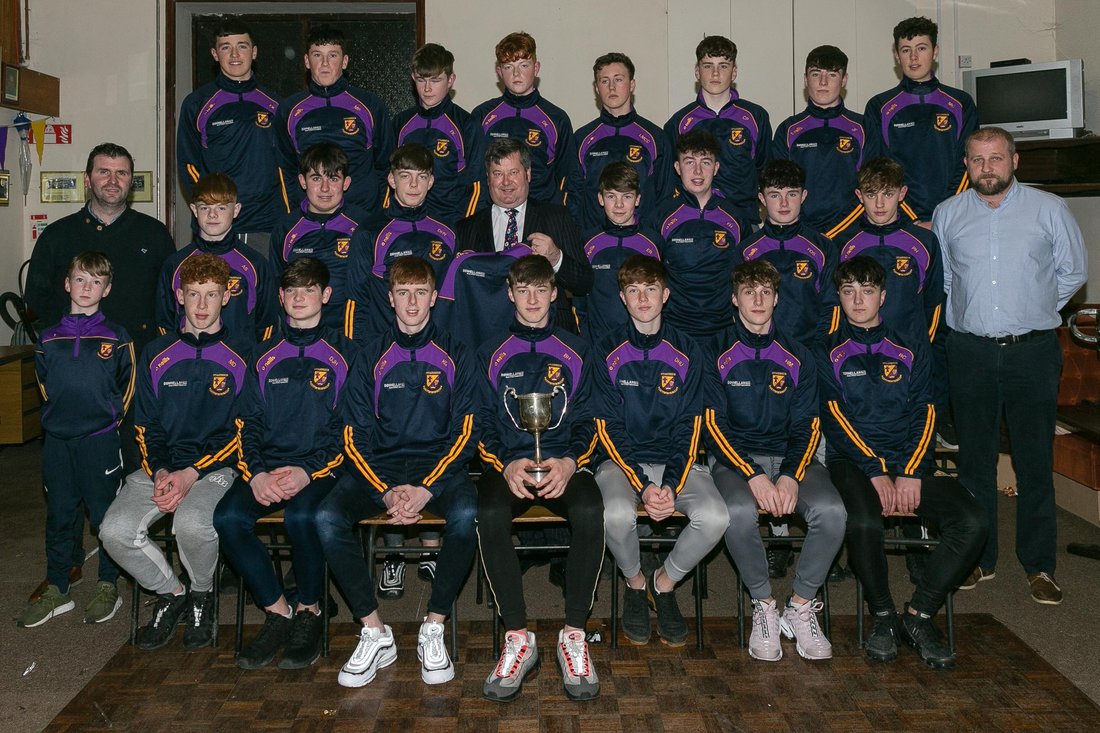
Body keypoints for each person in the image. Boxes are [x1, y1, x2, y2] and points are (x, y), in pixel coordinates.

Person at [932, 126, 1087, 605]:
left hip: (1032, 353)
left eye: (996, 158)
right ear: (966, 164)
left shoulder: (1048, 208)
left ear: (1014, 161)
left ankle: (1039, 565)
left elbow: (1073, 273)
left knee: (1034, 460)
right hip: (970, 352)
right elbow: (946, 281)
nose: (987, 168)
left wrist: (1033, 310)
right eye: (977, 159)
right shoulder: (948, 213)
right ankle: (979, 558)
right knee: (974, 461)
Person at [316, 256, 477, 688]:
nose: (412, 302)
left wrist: (427, 488)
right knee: (326, 517)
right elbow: (352, 436)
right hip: (380, 467)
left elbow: (466, 433)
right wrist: (386, 491)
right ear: (390, 299)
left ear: (434, 298)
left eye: (420, 293)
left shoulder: (458, 353)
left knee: (466, 515)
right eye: (403, 293)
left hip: (438, 466)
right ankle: (374, 630)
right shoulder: (369, 355)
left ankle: (434, 625)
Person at [820, 256, 987, 669]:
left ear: (883, 296)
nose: (858, 300)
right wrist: (876, 470)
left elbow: (926, 412)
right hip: (852, 464)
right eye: (848, 291)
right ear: (839, 298)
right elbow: (835, 419)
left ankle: (919, 614)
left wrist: (910, 471)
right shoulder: (826, 351)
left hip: (908, 463)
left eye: (867, 291)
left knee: (973, 521)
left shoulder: (911, 347)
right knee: (863, 522)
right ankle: (883, 615)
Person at [24, 143, 174, 575]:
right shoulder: (58, 235)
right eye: (104, 171)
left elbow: (169, 304)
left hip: (134, 376)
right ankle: (67, 560)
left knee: (130, 466)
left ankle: (126, 557)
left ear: (132, 182)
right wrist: (68, 351)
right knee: (65, 478)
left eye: (122, 173)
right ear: (88, 179)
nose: (112, 180)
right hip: (77, 380)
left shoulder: (153, 235)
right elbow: (38, 300)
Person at [100, 254, 247, 651]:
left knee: (192, 523)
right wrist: (163, 471)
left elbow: (243, 432)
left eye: (211, 295)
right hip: (162, 467)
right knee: (114, 531)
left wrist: (191, 473)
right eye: (193, 294)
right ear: (179, 297)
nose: (202, 305)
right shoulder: (156, 352)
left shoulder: (244, 354)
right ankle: (172, 592)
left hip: (218, 468)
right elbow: (144, 426)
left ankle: (202, 593)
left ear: (226, 297)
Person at [213, 257, 354, 670]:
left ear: (326, 295)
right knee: (227, 518)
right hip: (267, 467)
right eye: (291, 290)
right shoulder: (263, 354)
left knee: (302, 516)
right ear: (280, 296)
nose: (299, 298)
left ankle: (309, 609)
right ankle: (278, 610)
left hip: (322, 469)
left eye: (309, 290)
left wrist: (308, 471)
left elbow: (349, 429)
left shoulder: (346, 353)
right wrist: (256, 474)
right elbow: (246, 423)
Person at [476, 255, 603, 702]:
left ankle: (574, 634)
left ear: (554, 294)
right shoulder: (489, 352)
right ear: (510, 294)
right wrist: (504, 464)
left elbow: (591, 421)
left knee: (590, 508)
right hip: (510, 466)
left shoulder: (579, 350)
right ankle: (517, 636)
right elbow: (480, 424)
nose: (532, 299)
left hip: (564, 463)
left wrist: (569, 462)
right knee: (489, 512)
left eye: (541, 290)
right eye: (523, 290)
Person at [706, 259, 845, 661]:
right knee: (737, 511)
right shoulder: (714, 351)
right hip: (736, 461)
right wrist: (752, 475)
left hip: (791, 459)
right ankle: (763, 604)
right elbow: (713, 425)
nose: (758, 300)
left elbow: (808, 425)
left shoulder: (799, 355)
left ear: (777, 299)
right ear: (735, 299)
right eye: (749, 292)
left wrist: (789, 476)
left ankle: (799, 606)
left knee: (832, 511)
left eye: (766, 292)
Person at [594, 254, 727, 647]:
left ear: (665, 295)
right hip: (621, 464)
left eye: (650, 289)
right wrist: (642, 484)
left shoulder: (688, 351)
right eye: (633, 290)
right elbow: (608, 429)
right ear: (622, 297)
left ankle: (663, 583)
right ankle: (635, 582)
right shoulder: (605, 351)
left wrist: (669, 483)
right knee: (616, 513)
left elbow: (692, 426)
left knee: (716, 516)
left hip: (676, 463)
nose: (643, 298)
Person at [17, 252, 134, 628]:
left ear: (107, 289)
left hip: (99, 441)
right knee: (59, 514)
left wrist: (108, 421)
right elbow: (45, 388)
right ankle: (57, 586)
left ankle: (108, 584)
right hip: (58, 443)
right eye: (80, 279)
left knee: (104, 516)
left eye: (96, 282)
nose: (87, 288)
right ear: (67, 284)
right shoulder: (48, 339)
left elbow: (127, 388)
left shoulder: (117, 337)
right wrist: (60, 423)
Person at [737, 161, 838, 577]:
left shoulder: (822, 247)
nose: (783, 203)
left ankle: (822, 539)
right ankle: (778, 535)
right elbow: (739, 306)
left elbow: (832, 308)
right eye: (774, 195)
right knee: (766, 441)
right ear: (761, 199)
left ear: (803, 197)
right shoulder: (747, 248)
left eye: (791, 194)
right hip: (758, 360)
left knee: (813, 444)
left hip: (807, 361)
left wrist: (815, 356)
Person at [454, 137, 592, 333]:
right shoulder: (466, 228)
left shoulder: (557, 217)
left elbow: (584, 284)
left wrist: (556, 258)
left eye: (513, 172)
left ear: (528, 174)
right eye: (497, 173)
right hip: (488, 335)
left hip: (551, 334)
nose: (506, 182)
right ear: (488, 177)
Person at [863, 16, 977, 225]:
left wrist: (944, 215)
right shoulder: (879, 106)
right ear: (897, 56)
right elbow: (879, 170)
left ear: (935, 51)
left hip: (954, 217)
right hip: (901, 219)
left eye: (921, 48)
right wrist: (912, 219)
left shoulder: (962, 103)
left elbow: (969, 164)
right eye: (906, 50)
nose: (913, 57)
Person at [176, 16, 281, 242]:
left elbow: (288, 165)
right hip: (217, 226)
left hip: (266, 223)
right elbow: (188, 165)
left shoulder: (275, 104)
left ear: (254, 52)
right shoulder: (197, 104)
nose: (234, 55)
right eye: (226, 47)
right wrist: (213, 206)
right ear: (215, 54)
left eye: (242, 46)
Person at [275, 25, 393, 213]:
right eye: (317, 55)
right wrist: (296, 214)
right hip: (310, 218)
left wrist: (377, 215)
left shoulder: (370, 105)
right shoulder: (289, 109)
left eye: (332, 55)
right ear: (306, 61)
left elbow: (386, 163)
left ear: (344, 61)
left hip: (362, 216)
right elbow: (285, 169)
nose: (324, 63)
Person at [349, 143, 457, 344]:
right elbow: (356, 301)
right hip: (384, 344)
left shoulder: (448, 231)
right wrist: (357, 350)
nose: (414, 185)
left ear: (430, 182)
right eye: (405, 176)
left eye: (421, 177)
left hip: (435, 345)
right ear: (392, 179)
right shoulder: (369, 232)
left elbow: (454, 296)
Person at [156, 172, 279, 347]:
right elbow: (164, 322)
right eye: (204, 208)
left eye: (221, 208)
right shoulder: (175, 264)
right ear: (194, 210)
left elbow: (267, 324)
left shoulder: (256, 264)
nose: (212, 215)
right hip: (187, 360)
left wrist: (255, 358)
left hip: (241, 360)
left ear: (236, 210)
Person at [646, 130, 744, 341]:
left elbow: (744, 279)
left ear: (716, 168)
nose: (698, 171)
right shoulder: (660, 217)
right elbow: (649, 278)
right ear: (677, 167)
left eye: (705, 162)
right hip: (674, 329)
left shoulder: (735, 218)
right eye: (689, 162)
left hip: (724, 329)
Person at [664, 35, 771, 224]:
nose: (715, 74)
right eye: (708, 66)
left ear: (734, 72)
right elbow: (670, 179)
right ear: (697, 71)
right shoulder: (679, 122)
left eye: (723, 66)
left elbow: (766, 170)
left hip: (745, 221)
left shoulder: (756, 117)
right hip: (694, 222)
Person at [270, 143, 369, 337]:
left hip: (351, 332)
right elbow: (277, 284)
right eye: (316, 178)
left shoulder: (364, 226)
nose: (325, 188)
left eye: (333, 178)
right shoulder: (286, 228)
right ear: (302, 181)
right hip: (300, 333)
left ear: (346, 183)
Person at [565, 52, 672, 231]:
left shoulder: (656, 138)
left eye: (618, 79)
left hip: (643, 241)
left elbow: (665, 197)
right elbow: (574, 198)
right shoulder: (581, 139)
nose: (612, 87)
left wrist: (653, 237)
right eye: (604, 81)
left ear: (632, 84)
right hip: (594, 241)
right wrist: (580, 238)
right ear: (596, 88)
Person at [771, 45, 866, 238]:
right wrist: (806, 233)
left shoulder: (863, 127)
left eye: (832, 74)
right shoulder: (788, 130)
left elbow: (871, 188)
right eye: (816, 74)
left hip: (852, 234)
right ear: (805, 79)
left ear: (844, 79)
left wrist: (835, 232)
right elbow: (779, 189)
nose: (823, 82)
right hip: (800, 235)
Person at [471, 32, 574, 204]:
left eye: (524, 65)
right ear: (499, 71)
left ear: (536, 68)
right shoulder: (482, 115)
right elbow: (474, 177)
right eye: (508, 67)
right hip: (492, 212)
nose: (516, 74)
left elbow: (568, 178)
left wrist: (561, 218)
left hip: (542, 212)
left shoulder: (557, 119)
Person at [392, 43, 485, 226]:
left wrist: (465, 227)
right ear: (413, 77)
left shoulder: (466, 124)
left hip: (450, 222)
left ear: (450, 80)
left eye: (435, 80)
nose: (427, 88)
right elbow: (389, 177)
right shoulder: (400, 123)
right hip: (405, 221)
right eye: (421, 80)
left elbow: (477, 186)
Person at [574, 162, 663, 340]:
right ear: (600, 199)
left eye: (627, 196)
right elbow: (580, 299)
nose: (619, 205)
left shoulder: (654, 242)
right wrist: (586, 339)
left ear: (638, 199)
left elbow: (662, 297)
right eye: (611, 196)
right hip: (598, 343)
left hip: (642, 344)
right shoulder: (586, 241)